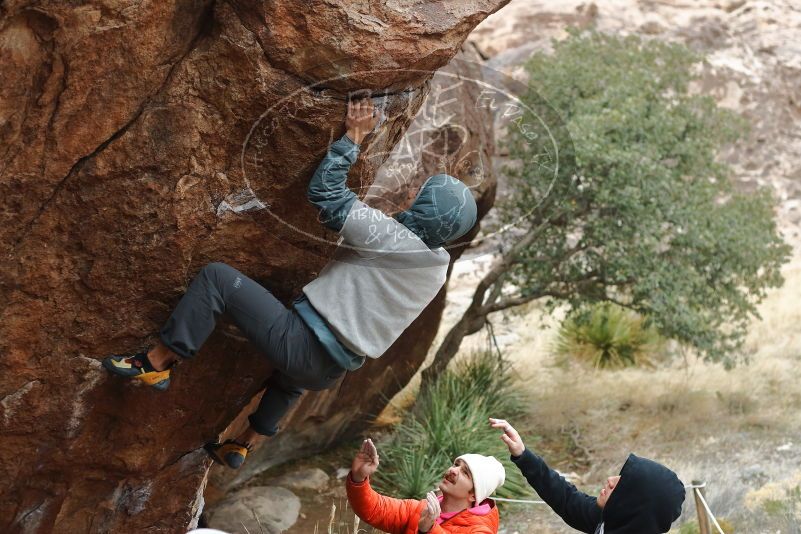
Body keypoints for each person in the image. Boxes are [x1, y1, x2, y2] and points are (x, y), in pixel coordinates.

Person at [101, 96, 478, 469]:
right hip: (328, 371)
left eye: (422, 196)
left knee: (217, 278)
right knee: (292, 376)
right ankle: (244, 443)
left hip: (299, 344)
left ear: (425, 211)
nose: (414, 195)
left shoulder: (393, 240)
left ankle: (159, 360)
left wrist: (353, 138)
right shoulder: (436, 265)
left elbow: (327, 195)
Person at [490, 418, 685, 534]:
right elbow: (566, 498)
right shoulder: (611, 522)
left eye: (622, 484)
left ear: (634, 504)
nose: (610, 480)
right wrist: (523, 454)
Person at [347, 438, 504, 534]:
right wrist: (359, 477)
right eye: (456, 464)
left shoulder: (480, 531)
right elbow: (374, 509)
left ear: (474, 495)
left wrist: (428, 529)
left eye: (465, 473)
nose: (453, 470)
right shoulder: (420, 509)